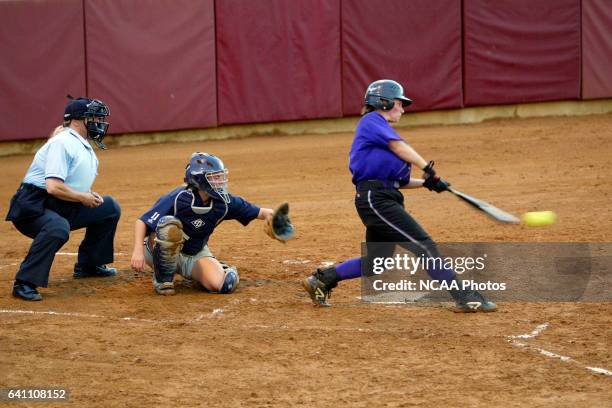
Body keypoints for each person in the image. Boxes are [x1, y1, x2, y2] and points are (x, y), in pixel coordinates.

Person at [302, 79, 496, 312]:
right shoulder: (372, 121)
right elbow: (399, 147)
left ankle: (322, 279)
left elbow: (398, 182)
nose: (403, 109)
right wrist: (427, 168)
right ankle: (464, 296)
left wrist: (426, 184)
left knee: (377, 262)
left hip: (381, 197)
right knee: (424, 246)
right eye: (399, 103)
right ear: (382, 102)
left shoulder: (380, 134)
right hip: (376, 200)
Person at [6, 96, 121, 301]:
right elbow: (53, 187)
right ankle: (24, 282)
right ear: (77, 120)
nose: (99, 121)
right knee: (57, 228)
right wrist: (82, 198)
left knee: (109, 207)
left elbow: (74, 181)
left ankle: (89, 265)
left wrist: (88, 193)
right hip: (32, 207)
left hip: (60, 203)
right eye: (93, 116)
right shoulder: (62, 143)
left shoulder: (81, 144)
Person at [130, 152, 280, 296]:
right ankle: (163, 279)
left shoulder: (224, 203)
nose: (220, 181)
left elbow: (260, 212)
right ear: (199, 180)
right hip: (156, 249)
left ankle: (211, 271)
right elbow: (142, 222)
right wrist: (138, 251)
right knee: (169, 226)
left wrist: (276, 219)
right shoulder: (179, 197)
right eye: (214, 177)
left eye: (220, 177)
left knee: (224, 285)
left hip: (194, 253)